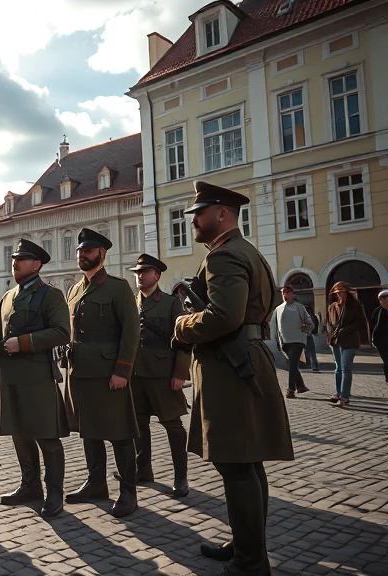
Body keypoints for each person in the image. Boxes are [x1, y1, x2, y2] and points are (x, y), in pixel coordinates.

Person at [174, 181, 293, 575]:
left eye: (200, 213)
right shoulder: (249, 252)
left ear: (222, 213)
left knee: (237, 466)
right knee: (247, 465)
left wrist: (182, 324)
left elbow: (225, 316)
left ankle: (250, 562)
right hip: (247, 359)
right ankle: (246, 545)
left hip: (230, 367)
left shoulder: (224, 257)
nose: (193, 220)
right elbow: (267, 303)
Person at [63, 229, 141, 518]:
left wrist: (122, 370)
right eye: (80, 250)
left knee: (119, 433)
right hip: (80, 373)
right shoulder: (74, 290)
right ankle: (96, 483)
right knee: (89, 431)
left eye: (89, 250)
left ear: (102, 254)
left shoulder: (118, 288)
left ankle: (128, 491)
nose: (83, 254)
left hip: (109, 374)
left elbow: (131, 333)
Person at [0, 240, 71, 518]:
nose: (16, 263)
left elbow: (62, 332)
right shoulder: (9, 296)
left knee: (46, 437)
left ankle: (55, 494)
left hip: (38, 377)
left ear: (36, 265)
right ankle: (30, 486)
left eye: (22, 259)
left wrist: (24, 343)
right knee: (20, 434)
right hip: (12, 377)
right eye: (15, 259)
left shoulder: (50, 295)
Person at [126, 254, 191, 498]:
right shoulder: (130, 303)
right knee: (139, 424)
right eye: (137, 272)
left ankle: (180, 477)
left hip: (164, 375)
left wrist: (179, 374)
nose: (140, 276)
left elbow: (185, 341)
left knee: (173, 425)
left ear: (157, 275)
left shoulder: (171, 303)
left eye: (145, 272)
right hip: (136, 374)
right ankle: (143, 471)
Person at [326, 281, 368, 409]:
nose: (340, 294)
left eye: (342, 292)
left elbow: (361, 322)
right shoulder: (332, 307)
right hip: (336, 341)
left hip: (350, 340)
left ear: (347, 292)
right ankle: (338, 393)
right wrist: (330, 335)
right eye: (338, 292)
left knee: (345, 367)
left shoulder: (355, 304)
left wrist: (346, 330)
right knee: (338, 368)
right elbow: (329, 323)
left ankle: (345, 396)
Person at [273, 286, 312, 398]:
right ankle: (301, 386)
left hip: (297, 340)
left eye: (287, 292)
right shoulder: (278, 309)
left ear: (292, 294)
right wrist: (277, 340)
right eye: (283, 293)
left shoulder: (300, 307)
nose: (285, 295)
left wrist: (306, 328)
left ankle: (291, 389)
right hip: (285, 341)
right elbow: (276, 327)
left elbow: (309, 322)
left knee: (292, 364)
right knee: (292, 364)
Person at [371, 290, 388, 383]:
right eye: (382, 299)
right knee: (386, 359)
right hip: (381, 341)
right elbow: (372, 325)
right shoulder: (377, 312)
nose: (385, 301)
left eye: (386, 299)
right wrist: (373, 339)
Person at [302, 305, 321, 373]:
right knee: (312, 352)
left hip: (305, 335)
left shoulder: (305, 317)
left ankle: (308, 364)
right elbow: (315, 326)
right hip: (310, 335)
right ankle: (315, 366)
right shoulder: (314, 316)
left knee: (306, 351)